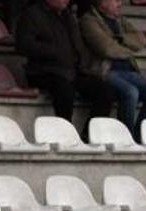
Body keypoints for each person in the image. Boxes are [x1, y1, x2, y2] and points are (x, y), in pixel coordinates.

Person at [15, 0, 114, 134]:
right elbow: (23, 45)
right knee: (64, 89)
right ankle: (65, 133)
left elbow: (77, 45)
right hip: (43, 70)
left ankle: (89, 136)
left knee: (104, 90)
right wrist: (54, 52)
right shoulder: (32, 15)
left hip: (71, 70)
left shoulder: (68, 16)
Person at [80, 0, 146, 141]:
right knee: (131, 92)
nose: (120, 3)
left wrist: (120, 38)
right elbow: (106, 48)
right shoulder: (89, 21)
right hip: (106, 71)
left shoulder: (120, 20)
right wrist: (128, 50)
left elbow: (141, 40)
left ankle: (140, 136)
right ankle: (126, 138)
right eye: (115, 0)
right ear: (102, 3)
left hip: (129, 70)